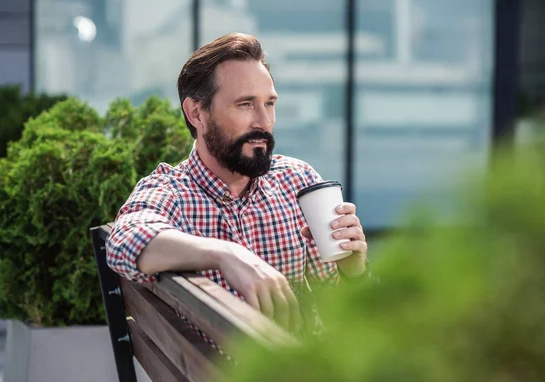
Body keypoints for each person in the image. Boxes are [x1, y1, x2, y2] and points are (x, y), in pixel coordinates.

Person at [106, 33, 372, 333]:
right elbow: (123, 241)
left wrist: (354, 271)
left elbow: (343, 314)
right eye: (245, 104)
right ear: (196, 113)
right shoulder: (172, 192)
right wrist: (227, 254)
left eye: (269, 104)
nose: (264, 121)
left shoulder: (297, 180)